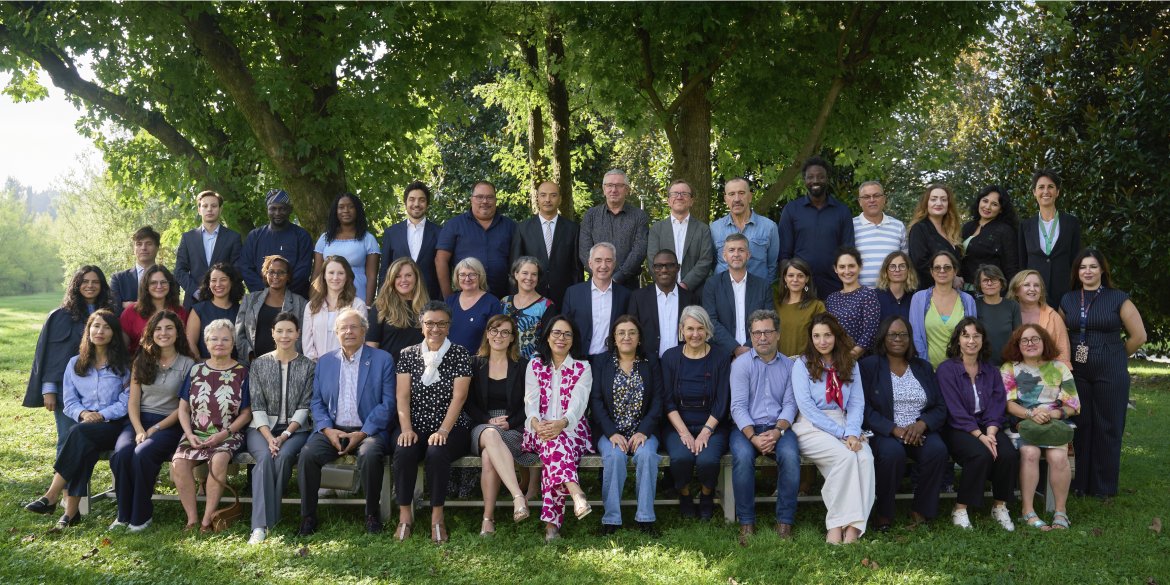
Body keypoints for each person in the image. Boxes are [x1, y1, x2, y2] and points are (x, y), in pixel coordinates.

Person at [23, 266, 115, 516]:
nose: (90, 285)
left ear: (102, 285)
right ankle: (66, 501)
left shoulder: (109, 313)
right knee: (67, 440)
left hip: (104, 392)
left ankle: (61, 503)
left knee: (83, 441)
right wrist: (49, 389)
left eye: (96, 281)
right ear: (76, 284)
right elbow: (54, 355)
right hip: (69, 393)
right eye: (85, 281)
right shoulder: (62, 316)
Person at [297, 308, 395, 536]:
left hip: (368, 430)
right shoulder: (325, 362)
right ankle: (308, 516)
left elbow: (388, 403)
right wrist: (328, 430)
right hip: (333, 429)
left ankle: (372, 514)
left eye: (354, 327)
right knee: (308, 455)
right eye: (343, 328)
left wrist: (362, 434)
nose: (349, 331)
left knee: (370, 455)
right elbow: (317, 402)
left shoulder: (382, 359)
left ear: (364, 331)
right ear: (336, 332)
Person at [1060, 249, 1146, 499]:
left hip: (1111, 369)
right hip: (1078, 370)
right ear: (1077, 272)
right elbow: (1060, 333)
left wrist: (1116, 355)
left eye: (1093, 267)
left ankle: (1104, 487)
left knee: (1108, 425)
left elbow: (1139, 337)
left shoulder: (1119, 298)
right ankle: (1081, 484)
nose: (1087, 271)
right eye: (1083, 267)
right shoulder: (1068, 299)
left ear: (1102, 271)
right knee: (1082, 424)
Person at [37, 310, 130, 530]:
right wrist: (84, 415)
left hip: (115, 427)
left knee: (78, 434)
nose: (100, 331)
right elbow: (69, 401)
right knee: (83, 446)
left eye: (106, 327)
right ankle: (70, 515)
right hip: (86, 425)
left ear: (113, 333)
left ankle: (51, 495)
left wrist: (102, 415)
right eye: (95, 326)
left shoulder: (124, 364)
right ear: (88, 331)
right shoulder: (75, 364)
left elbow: (127, 401)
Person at [392, 300, 473, 543]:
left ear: (449, 327)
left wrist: (443, 430)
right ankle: (405, 516)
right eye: (430, 323)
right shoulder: (407, 354)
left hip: (451, 426)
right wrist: (406, 428)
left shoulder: (460, 354)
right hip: (416, 424)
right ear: (421, 325)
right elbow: (402, 395)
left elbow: (459, 398)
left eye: (441, 324)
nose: (435, 329)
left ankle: (437, 517)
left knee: (437, 452)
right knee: (403, 450)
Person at [790, 313, 874, 544]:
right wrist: (842, 434)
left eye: (827, 335)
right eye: (816, 336)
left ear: (836, 336)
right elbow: (806, 408)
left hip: (845, 423)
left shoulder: (850, 363)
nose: (822, 341)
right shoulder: (802, 364)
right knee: (846, 458)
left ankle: (854, 528)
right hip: (810, 426)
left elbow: (857, 403)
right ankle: (837, 524)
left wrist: (853, 432)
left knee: (865, 459)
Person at [109, 311, 197, 532]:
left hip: (170, 423)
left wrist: (155, 428)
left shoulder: (188, 365)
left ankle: (141, 516)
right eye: (158, 329)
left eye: (169, 328)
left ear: (178, 333)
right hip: (138, 421)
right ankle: (123, 515)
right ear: (151, 333)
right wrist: (139, 429)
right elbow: (133, 402)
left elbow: (183, 407)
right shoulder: (142, 360)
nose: (163, 333)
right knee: (121, 454)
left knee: (142, 453)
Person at [860, 316, 948, 531]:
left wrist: (922, 424)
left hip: (918, 430)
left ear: (910, 339)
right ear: (883, 338)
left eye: (903, 334)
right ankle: (883, 514)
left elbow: (939, 407)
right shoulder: (869, 366)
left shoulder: (923, 367)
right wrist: (894, 429)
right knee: (892, 454)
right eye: (892, 334)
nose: (898, 339)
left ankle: (921, 511)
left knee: (937, 450)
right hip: (885, 431)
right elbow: (863, 408)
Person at [936, 317, 1018, 531]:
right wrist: (981, 438)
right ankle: (960, 508)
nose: (971, 341)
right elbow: (954, 410)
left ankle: (1000, 506)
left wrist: (990, 432)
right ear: (958, 340)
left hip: (987, 425)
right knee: (979, 454)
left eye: (976, 336)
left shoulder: (991, 371)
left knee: (1007, 454)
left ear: (983, 340)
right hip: (958, 428)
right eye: (966, 336)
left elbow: (997, 404)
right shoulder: (946, 370)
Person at [170, 319, 252, 532]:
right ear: (206, 342)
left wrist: (225, 434)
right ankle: (191, 518)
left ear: (233, 343)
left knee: (219, 459)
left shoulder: (243, 372)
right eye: (214, 339)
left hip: (229, 433)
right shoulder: (196, 370)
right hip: (196, 433)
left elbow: (246, 413)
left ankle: (207, 519)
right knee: (178, 463)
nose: (219, 343)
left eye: (225, 339)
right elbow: (183, 408)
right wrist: (189, 433)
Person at [244, 311, 315, 544]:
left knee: (283, 457)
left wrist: (284, 436)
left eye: (290, 331)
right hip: (260, 428)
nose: (285, 335)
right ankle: (260, 526)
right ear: (272, 333)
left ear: (298, 334)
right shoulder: (259, 364)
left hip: (295, 430)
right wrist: (269, 437)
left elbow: (305, 405)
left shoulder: (308, 366)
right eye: (280, 330)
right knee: (264, 458)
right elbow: (257, 404)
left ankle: (270, 521)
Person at [729, 309, 800, 543]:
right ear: (750, 335)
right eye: (757, 332)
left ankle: (784, 523)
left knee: (790, 456)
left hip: (778, 427)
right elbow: (738, 407)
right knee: (740, 457)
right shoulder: (740, 365)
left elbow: (791, 404)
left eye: (768, 332)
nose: (762, 338)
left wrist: (778, 431)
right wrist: (753, 438)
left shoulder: (790, 367)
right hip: (747, 428)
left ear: (778, 334)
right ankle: (746, 523)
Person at [522, 316, 595, 541]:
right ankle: (576, 492)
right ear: (547, 336)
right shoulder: (535, 365)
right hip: (538, 429)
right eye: (556, 333)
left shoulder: (583, 367)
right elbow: (530, 401)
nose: (561, 338)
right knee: (552, 442)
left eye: (567, 334)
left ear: (574, 340)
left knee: (555, 444)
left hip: (573, 431)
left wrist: (561, 423)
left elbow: (579, 404)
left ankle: (551, 526)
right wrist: (537, 424)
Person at [1001, 324, 1080, 530]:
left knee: (1058, 457)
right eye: (1024, 340)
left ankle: (1060, 512)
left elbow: (1072, 404)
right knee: (1030, 453)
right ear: (1017, 344)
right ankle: (1027, 511)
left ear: (1044, 342)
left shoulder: (1059, 368)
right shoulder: (1010, 368)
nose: (1030, 344)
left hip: (1054, 422)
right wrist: (1031, 414)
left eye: (1035, 339)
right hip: (1023, 423)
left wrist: (1051, 414)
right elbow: (1007, 403)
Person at [590, 316, 663, 535]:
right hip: (611, 431)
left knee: (648, 456)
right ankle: (611, 519)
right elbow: (596, 401)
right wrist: (611, 433)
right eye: (621, 332)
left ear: (639, 338)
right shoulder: (602, 362)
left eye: (632, 332)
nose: (626, 337)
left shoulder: (650, 361)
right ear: (614, 336)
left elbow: (658, 399)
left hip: (643, 431)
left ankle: (645, 519)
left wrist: (644, 431)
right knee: (614, 457)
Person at [661, 306, 731, 521]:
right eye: (690, 328)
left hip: (712, 424)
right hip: (677, 424)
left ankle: (707, 495)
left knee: (707, 461)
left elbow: (722, 401)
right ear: (681, 330)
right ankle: (684, 495)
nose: (695, 334)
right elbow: (668, 400)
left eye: (700, 328)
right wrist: (684, 433)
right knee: (681, 458)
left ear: (708, 330)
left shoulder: (720, 357)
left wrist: (705, 432)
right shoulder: (670, 357)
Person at [466, 315, 533, 536]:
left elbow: (531, 402)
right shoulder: (475, 364)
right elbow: (467, 403)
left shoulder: (522, 366)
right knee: (491, 435)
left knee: (488, 456)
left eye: (505, 332)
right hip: (481, 426)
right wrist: (487, 421)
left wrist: (511, 422)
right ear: (487, 334)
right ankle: (518, 497)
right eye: (494, 330)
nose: (499, 336)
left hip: (514, 427)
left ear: (512, 338)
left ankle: (488, 518)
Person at [778, 158, 856, 297]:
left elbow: (848, 253)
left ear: (827, 179)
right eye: (810, 177)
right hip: (801, 286)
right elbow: (784, 254)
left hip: (834, 286)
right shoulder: (791, 210)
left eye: (820, 176)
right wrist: (788, 288)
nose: (815, 181)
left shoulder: (842, 211)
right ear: (804, 180)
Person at [436, 180, 517, 298]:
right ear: (471, 199)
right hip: (465, 299)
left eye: (490, 197)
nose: (485, 201)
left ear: (495, 200)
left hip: (503, 298)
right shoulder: (454, 225)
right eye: (479, 197)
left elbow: (519, 263)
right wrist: (449, 297)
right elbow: (440, 260)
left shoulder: (510, 226)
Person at [510, 180, 582, 309]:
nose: (548, 199)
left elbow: (576, 268)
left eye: (553, 195)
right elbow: (516, 266)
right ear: (537, 198)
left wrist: (577, 296)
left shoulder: (573, 229)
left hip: (564, 295)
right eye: (543, 195)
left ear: (560, 199)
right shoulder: (522, 228)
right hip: (531, 294)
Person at [703, 233, 772, 359]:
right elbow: (710, 321)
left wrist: (749, 347)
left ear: (748, 255)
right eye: (731, 250)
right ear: (724, 256)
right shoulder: (712, 284)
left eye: (741, 250)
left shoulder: (763, 286)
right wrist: (734, 348)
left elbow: (768, 321)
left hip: (756, 354)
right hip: (721, 356)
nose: (736, 254)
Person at [1019, 169, 1081, 306]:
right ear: (1034, 192)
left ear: (1057, 192)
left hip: (1065, 294)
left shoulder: (1071, 223)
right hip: (1033, 295)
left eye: (1050, 187)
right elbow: (1022, 263)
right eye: (1041, 187)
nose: (1046, 191)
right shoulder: (1025, 226)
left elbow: (1076, 259)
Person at [578, 169, 649, 287]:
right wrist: (600, 275)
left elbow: (639, 251)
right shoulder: (591, 215)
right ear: (604, 189)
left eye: (619, 186)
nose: (614, 190)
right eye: (609, 185)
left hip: (628, 286)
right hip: (596, 284)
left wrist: (618, 278)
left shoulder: (639, 216)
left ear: (626, 190)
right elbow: (584, 250)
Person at [560, 242, 632, 358]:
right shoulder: (573, 293)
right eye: (598, 260)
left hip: (612, 361)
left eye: (608, 260)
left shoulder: (625, 295)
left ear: (614, 264)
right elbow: (564, 327)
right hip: (579, 360)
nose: (603, 266)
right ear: (590, 263)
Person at [235, 254, 308, 367]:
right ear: (265, 274)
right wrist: (251, 357)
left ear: (288, 276)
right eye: (271, 272)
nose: (276, 276)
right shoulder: (250, 300)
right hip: (251, 365)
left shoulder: (300, 303)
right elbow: (239, 334)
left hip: (287, 366)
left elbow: (303, 337)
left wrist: (288, 360)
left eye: (281, 272)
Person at [239, 189, 314, 298]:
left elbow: (303, 270)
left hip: (294, 298)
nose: (277, 213)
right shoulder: (254, 236)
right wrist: (266, 294)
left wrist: (282, 294)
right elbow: (246, 268)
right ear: (267, 210)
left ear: (290, 210)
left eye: (282, 209)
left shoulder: (302, 236)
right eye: (273, 209)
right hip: (260, 299)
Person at [174, 190, 243, 308]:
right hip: (194, 302)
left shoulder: (233, 238)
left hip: (225, 302)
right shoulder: (188, 238)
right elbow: (180, 271)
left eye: (214, 206)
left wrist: (222, 290)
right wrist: (197, 292)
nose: (209, 209)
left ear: (220, 209)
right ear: (199, 210)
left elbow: (238, 269)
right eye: (205, 206)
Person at [647, 179, 715, 297]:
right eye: (675, 194)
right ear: (668, 201)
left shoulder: (703, 229)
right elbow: (652, 260)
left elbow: (706, 260)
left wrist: (685, 284)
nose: (679, 197)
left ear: (692, 201)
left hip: (695, 293)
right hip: (663, 292)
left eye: (684, 194)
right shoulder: (656, 229)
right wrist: (668, 285)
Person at [910, 251, 977, 367]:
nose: (942, 271)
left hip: (960, 371)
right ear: (931, 272)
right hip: (928, 370)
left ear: (955, 271)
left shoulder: (967, 300)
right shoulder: (918, 299)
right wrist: (925, 367)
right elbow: (916, 336)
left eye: (947, 267)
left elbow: (972, 336)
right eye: (937, 268)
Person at [379, 181, 442, 300]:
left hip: (430, 298)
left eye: (421, 200)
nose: (416, 204)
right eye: (412, 199)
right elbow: (384, 270)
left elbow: (444, 270)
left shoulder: (440, 233)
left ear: (427, 204)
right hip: (397, 299)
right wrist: (381, 300)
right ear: (405, 203)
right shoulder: (391, 233)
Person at [312, 192, 380, 303]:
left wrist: (367, 305)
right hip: (327, 298)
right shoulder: (325, 238)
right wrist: (314, 300)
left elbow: (372, 276)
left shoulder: (368, 239)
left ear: (357, 210)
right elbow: (317, 273)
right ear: (336, 211)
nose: (346, 210)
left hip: (358, 297)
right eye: (341, 207)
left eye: (350, 206)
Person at [711, 178, 780, 283]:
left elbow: (772, 265)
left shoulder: (769, 227)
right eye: (732, 194)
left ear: (750, 197)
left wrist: (765, 289)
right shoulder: (714, 228)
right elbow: (711, 263)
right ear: (725, 199)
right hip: (724, 292)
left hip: (758, 292)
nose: (737, 199)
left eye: (741, 193)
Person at [628, 249, 695, 358]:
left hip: (682, 363)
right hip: (648, 364)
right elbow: (631, 331)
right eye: (659, 266)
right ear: (653, 269)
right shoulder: (638, 298)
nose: (664, 270)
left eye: (669, 265)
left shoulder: (690, 299)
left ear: (678, 268)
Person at [302, 255, 367, 360]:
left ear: (347, 276)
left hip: (348, 365)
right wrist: (316, 365)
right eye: (331, 273)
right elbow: (307, 342)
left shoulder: (357, 305)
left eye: (340, 273)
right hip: (317, 368)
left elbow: (360, 339)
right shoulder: (311, 306)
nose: (335, 277)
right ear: (324, 275)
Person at [1007, 269, 1071, 368]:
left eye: (1036, 285)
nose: (1032, 289)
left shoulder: (1053, 316)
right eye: (1027, 285)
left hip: (1049, 375)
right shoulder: (1007, 314)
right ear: (1016, 290)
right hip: (1013, 374)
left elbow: (1063, 354)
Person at [825, 247, 881, 358]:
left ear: (860, 267)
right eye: (842, 267)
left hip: (859, 361)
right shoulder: (831, 299)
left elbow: (870, 332)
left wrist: (849, 358)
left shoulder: (868, 295)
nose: (847, 271)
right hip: (833, 359)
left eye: (851, 266)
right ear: (835, 269)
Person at [366, 257, 427, 360]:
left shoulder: (427, 308)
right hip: (389, 371)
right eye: (398, 276)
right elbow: (371, 347)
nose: (403, 280)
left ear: (416, 278)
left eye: (408, 275)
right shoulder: (381, 307)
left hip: (421, 371)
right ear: (391, 280)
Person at [120, 265, 188, 354]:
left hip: (173, 364)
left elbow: (184, 343)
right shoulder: (131, 311)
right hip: (138, 364)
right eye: (153, 283)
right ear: (146, 286)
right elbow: (122, 347)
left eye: (163, 282)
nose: (159, 286)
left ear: (170, 284)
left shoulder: (180, 311)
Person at [961, 185, 1019, 288]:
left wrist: (1012, 295)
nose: (987, 207)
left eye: (994, 204)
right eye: (985, 201)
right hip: (962, 291)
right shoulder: (968, 227)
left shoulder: (1005, 231)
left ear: (1001, 209)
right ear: (979, 201)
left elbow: (1011, 267)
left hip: (988, 292)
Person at [907, 184, 963, 288]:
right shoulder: (919, 229)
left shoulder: (952, 230)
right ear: (926, 203)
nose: (939, 203)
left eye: (943, 199)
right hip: (930, 292)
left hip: (953, 293)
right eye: (933, 199)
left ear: (948, 204)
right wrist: (951, 278)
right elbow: (920, 263)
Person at [853, 181, 907, 287]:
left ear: (884, 199)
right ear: (860, 201)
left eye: (876, 195)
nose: (872, 200)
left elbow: (905, 261)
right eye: (867, 197)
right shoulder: (851, 226)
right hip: (860, 294)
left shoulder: (898, 226)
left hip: (892, 293)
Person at [185, 262, 245, 358]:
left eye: (223, 280)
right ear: (208, 284)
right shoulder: (198, 310)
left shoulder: (241, 311)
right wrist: (203, 366)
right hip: (205, 367)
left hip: (235, 368)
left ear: (232, 282)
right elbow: (190, 343)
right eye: (213, 280)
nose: (218, 284)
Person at [502, 256, 556, 360]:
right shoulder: (504, 302)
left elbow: (547, 339)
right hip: (504, 363)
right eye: (525, 273)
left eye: (534, 274)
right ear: (516, 274)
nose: (529, 278)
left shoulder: (547, 305)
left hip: (532, 365)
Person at [446, 257, 504, 352]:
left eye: (472, 275)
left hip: (478, 361)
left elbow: (496, 336)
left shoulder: (492, 303)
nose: (467, 279)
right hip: (449, 359)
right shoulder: (450, 301)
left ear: (480, 276)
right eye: (462, 275)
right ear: (457, 277)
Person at [774, 258, 825, 357]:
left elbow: (822, 337)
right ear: (785, 278)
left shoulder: (817, 306)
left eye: (800, 276)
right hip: (778, 364)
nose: (795, 280)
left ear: (807, 279)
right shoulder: (776, 305)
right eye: (791, 275)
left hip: (806, 365)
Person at [974, 264, 1021, 365]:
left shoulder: (1012, 306)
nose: (990, 283)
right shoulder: (974, 305)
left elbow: (1018, 337)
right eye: (985, 280)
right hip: (981, 364)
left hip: (1008, 364)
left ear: (1001, 282)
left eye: (994, 279)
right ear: (980, 284)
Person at [110, 226, 162, 308]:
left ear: (157, 248)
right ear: (133, 249)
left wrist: (128, 305)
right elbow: (114, 309)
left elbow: (171, 307)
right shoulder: (118, 279)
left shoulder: (169, 279)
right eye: (139, 244)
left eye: (149, 244)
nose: (143, 248)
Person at [874, 251, 917, 323]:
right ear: (886, 271)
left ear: (908, 270)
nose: (897, 270)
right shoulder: (875, 296)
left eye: (902, 266)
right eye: (892, 266)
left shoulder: (915, 297)